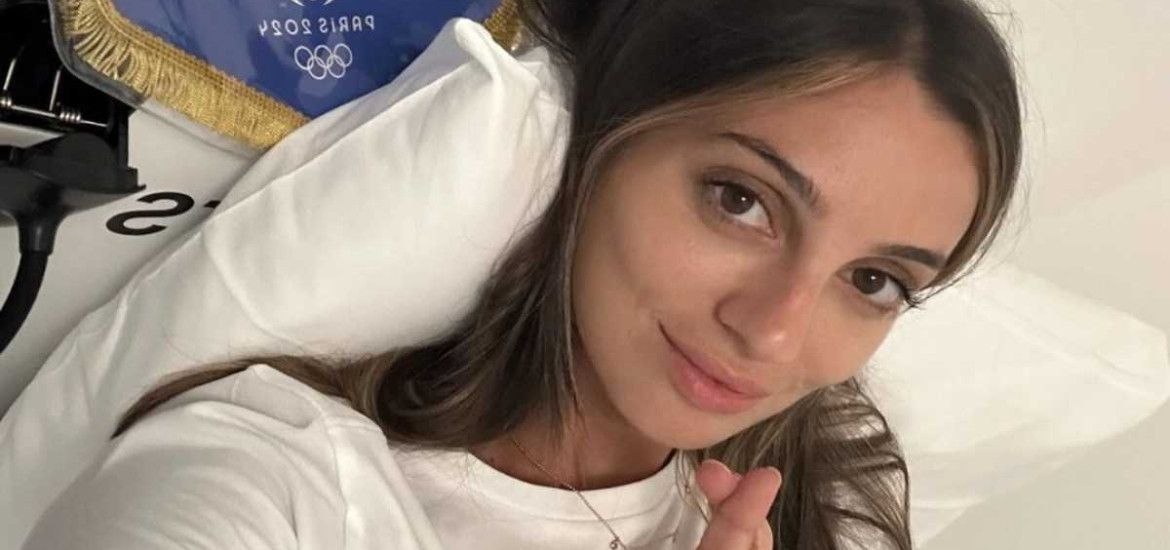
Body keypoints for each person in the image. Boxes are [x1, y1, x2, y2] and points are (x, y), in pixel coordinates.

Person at [22, 0, 1021, 548]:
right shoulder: (279, 478)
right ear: (598, 144)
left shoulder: (808, 525)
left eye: (875, 280)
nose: (773, 330)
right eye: (739, 199)